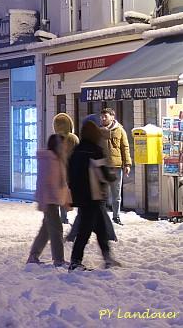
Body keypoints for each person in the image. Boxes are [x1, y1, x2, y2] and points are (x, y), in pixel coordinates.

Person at [67, 115, 120, 271]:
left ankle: (107, 257)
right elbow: (102, 173)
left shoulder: (76, 151)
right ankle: (76, 261)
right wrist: (111, 177)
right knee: (86, 230)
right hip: (94, 195)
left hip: (80, 196)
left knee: (100, 227)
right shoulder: (95, 151)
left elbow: (70, 171)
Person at [27, 134, 70, 267]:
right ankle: (58, 259)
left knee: (46, 229)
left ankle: (34, 256)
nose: (65, 147)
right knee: (56, 229)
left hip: (53, 199)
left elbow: (61, 183)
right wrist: (44, 202)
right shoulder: (49, 160)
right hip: (49, 200)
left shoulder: (57, 159)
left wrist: (66, 199)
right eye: (63, 144)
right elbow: (44, 182)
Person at [100, 108, 131, 225]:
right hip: (102, 167)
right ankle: (102, 217)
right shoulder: (98, 131)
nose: (103, 119)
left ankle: (116, 216)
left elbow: (125, 147)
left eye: (105, 116)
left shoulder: (120, 130)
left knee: (116, 194)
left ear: (112, 117)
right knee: (102, 194)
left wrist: (127, 164)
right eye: (102, 117)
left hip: (116, 167)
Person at [52, 113, 78, 224]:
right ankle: (70, 217)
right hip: (71, 169)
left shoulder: (54, 139)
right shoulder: (73, 138)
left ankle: (62, 217)